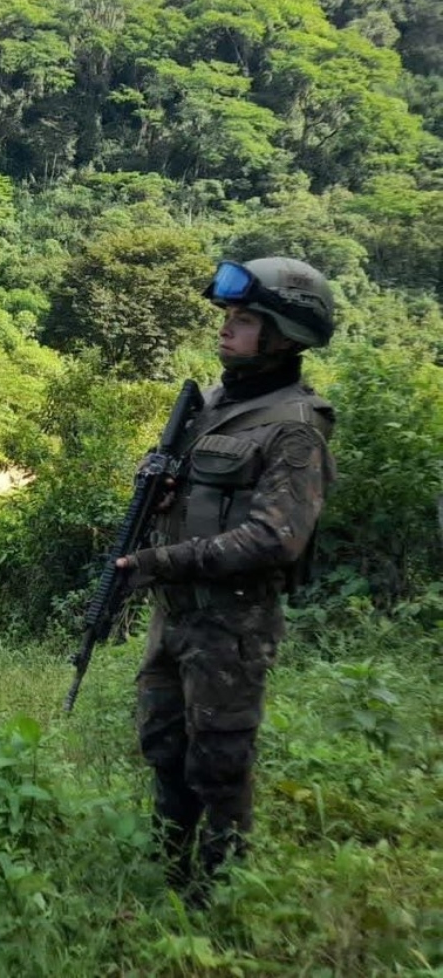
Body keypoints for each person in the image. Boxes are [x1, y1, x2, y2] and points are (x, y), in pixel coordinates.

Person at [116, 256, 336, 904]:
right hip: (175, 616)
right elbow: (192, 500)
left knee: (219, 765)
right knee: (164, 745)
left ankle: (216, 898)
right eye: (228, 319)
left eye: (243, 321)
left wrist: (163, 562)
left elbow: (276, 537)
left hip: (231, 625)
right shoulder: (213, 407)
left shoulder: (295, 427)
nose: (226, 331)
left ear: (284, 335)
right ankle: (171, 875)